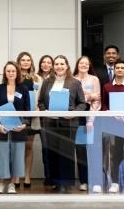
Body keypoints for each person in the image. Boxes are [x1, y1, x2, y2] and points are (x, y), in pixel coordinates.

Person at [37, 55, 87, 194]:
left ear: (67, 66)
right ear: (53, 66)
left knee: (66, 153)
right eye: (57, 64)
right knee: (53, 153)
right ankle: (56, 182)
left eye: (62, 64)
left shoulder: (74, 82)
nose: (59, 67)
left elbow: (82, 103)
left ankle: (66, 184)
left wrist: (73, 113)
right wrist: (44, 111)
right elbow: (40, 101)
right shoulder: (47, 82)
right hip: (50, 123)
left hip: (68, 122)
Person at [100, 58, 124, 194]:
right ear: (114, 70)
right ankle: (115, 183)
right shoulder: (107, 87)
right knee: (114, 155)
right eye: (117, 68)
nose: (120, 70)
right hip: (112, 126)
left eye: (122, 68)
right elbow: (104, 106)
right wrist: (112, 114)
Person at [0, 61, 31, 193]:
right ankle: (1, 184)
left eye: (13, 71)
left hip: (18, 128)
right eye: (8, 71)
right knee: (2, 155)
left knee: (17, 156)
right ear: (5, 73)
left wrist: (24, 124)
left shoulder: (23, 89)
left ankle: (13, 184)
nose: (11, 73)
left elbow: (27, 109)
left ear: (17, 72)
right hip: (2, 128)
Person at [73, 56, 101, 191]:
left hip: (91, 118)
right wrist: (89, 96)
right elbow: (73, 101)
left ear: (89, 66)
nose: (84, 65)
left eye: (86, 63)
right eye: (81, 63)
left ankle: (95, 180)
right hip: (77, 117)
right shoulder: (72, 80)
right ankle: (84, 181)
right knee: (80, 150)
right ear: (77, 65)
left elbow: (97, 100)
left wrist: (91, 119)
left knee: (93, 150)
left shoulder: (94, 79)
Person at [16, 52, 41, 189]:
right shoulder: (14, 76)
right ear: (19, 62)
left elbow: (40, 96)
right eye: (23, 60)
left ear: (31, 63)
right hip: (18, 117)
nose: (26, 62)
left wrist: (38, 106)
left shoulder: (37, 78)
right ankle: (16, 177)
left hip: (32, 117)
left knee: (29, 147)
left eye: (28, 60)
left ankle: (27, 177)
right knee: (17, 147)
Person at [36, 54, 54, 188]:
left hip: (52, 118)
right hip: (38, 117)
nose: (46, 64)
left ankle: (53, 178)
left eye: (49, 62)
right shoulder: (35, 77)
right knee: (45, 148)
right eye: (43, 62)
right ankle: (48, 177)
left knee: (51, 148)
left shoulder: (56, 79)